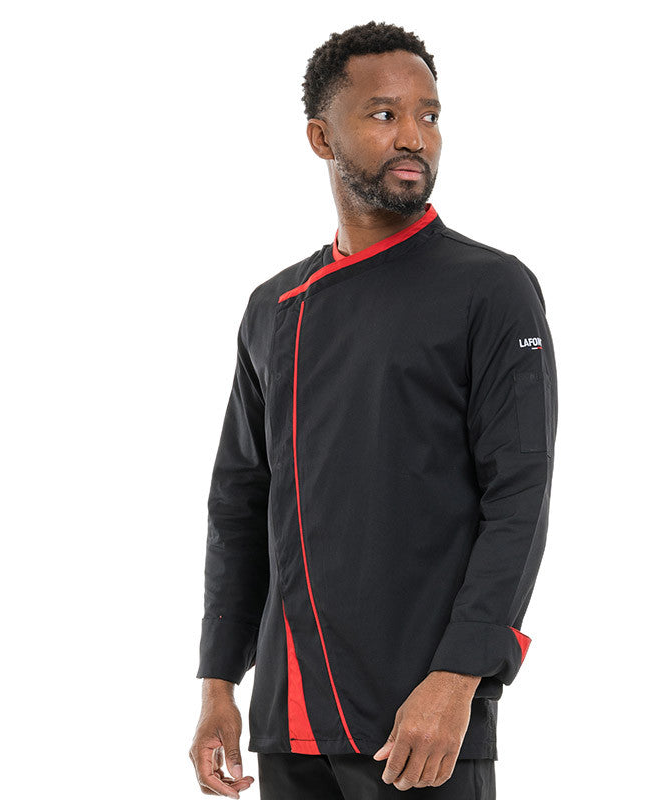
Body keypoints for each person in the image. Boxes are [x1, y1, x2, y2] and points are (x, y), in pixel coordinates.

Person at [188, 20, 558, 800]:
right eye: (385, 114)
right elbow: (239, 502)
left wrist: (458, 679)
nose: (415, 136)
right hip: (287, 724)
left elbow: (518, 498)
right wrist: (219, 680)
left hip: (418, 723)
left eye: (430, 115)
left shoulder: (490, 289)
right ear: (322, 137)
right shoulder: (273, 306)